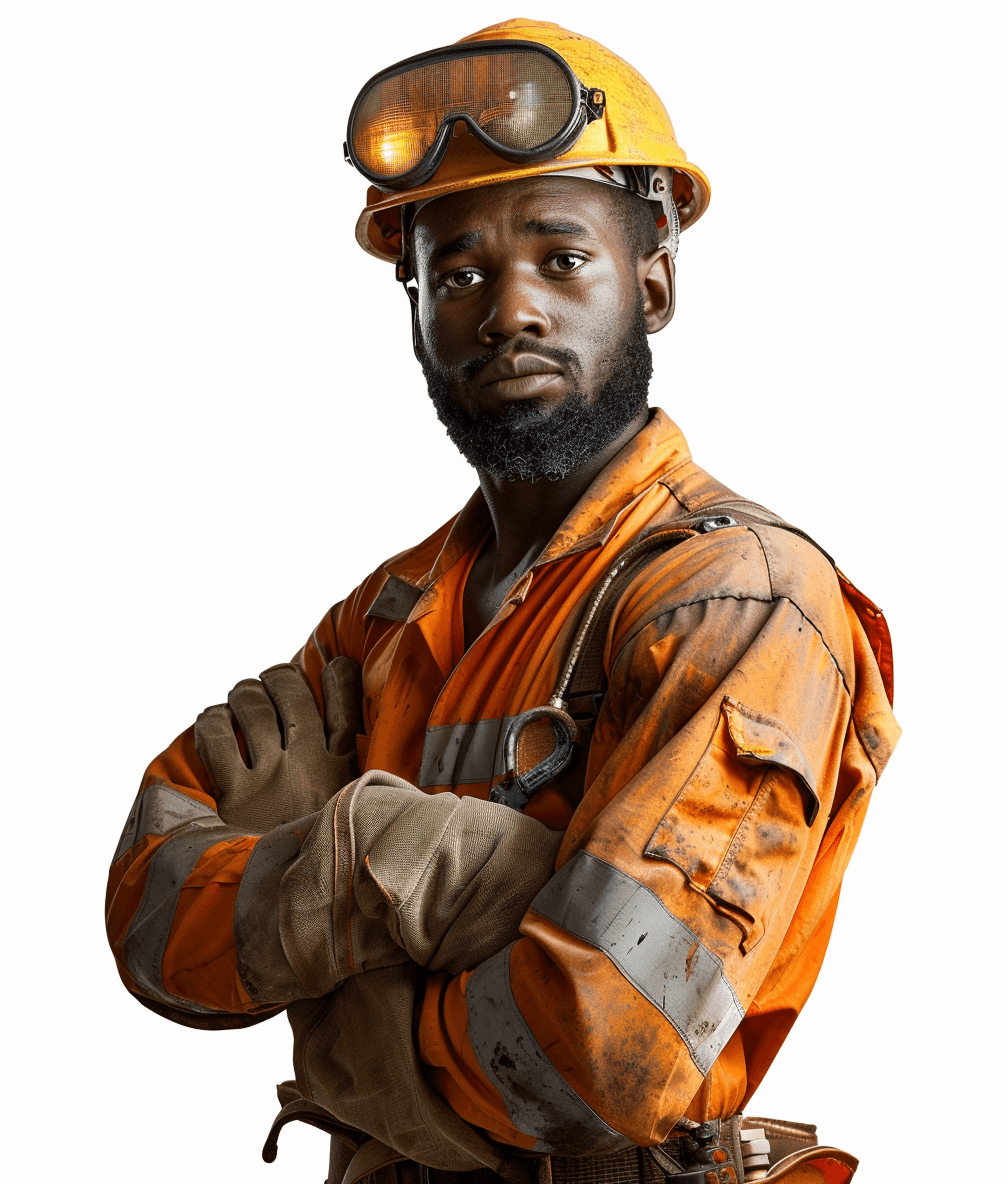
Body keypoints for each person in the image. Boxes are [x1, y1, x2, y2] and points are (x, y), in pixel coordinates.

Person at [105, 18, 900, 1184]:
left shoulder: (736, 600)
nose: (508, 309)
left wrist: (355, 857)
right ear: (416, 306)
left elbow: (600, 1052)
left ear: (655, 279)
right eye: (460, 270)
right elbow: (150, 917)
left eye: (562, 257)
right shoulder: (387, 616)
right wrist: (501, 895)